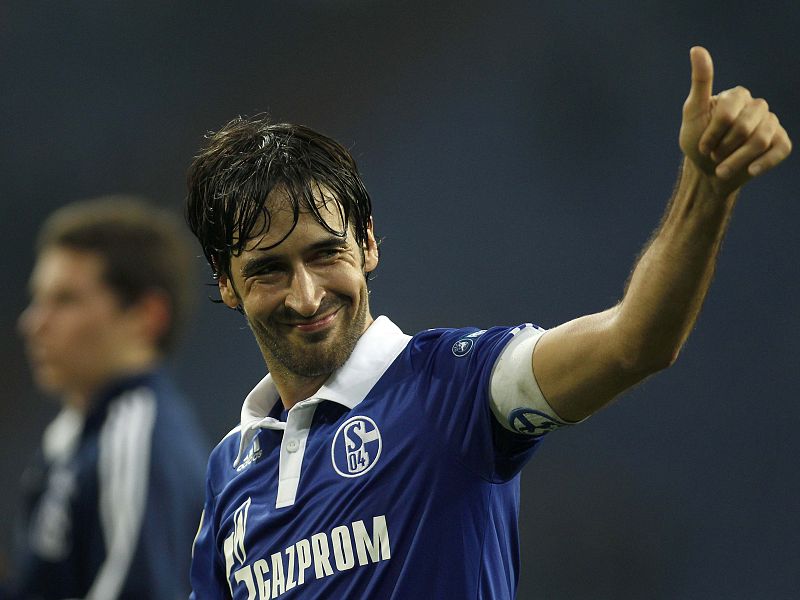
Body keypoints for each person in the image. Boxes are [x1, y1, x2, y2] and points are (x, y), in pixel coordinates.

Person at [185, 47, 791, 599]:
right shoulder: (230, 472)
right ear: (226, 282)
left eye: (326, 254)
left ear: (367, 244)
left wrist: (704, 191)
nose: (306, 296)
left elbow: (633, 344)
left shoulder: (456, 387)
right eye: (269, 270)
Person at [6, 197, 209, 599]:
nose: (32, 323)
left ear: (146, 315)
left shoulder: (137, 442)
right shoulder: (75, 434)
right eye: (38, 299)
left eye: (65, 300)